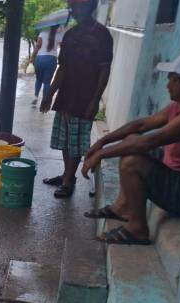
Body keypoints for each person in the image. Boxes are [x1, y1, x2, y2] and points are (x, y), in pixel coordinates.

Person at [80, 52, 180, 245]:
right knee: (131, 140)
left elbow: (150, 141)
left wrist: (101, 154)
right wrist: (102, 142)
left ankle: (137, 229)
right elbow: (140, 126)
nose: (167, 84)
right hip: (178, 178)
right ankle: (122, 207)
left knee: (133, 162)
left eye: (170, 79)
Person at [40, 0, 112, 198]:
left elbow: (104, 69)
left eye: (80, 7)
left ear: (90, 8)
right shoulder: (71, 35)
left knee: (76, 141)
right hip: (66, 96)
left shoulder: (101, 35)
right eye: (74, 8)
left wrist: (95, 99)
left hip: (85, 98)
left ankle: (68, 181)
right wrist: (50, 93)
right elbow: (62, 68)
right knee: (65, 140)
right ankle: (67, 175)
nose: (76, 11)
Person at [30, 24, 63, 106]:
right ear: (57, 26)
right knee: (47, 82)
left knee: (38, 79)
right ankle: (44, 101)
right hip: (51, 60)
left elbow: (37, 46)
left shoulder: (43, 33)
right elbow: (63, 48)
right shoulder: (58, 35)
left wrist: (32, 57)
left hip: (40, 59)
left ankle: (35, 96)